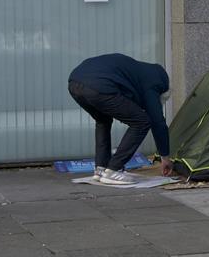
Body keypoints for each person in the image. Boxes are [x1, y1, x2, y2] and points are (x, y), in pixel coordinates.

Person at [68, 53, 173, 185]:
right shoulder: (155, 83)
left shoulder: (139, 72)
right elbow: (157, 122)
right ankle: (113, 170)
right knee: (141, 122)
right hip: (99, 85)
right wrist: (165, 157)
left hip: (74, 83)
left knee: (103, 120)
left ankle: (100, 168)